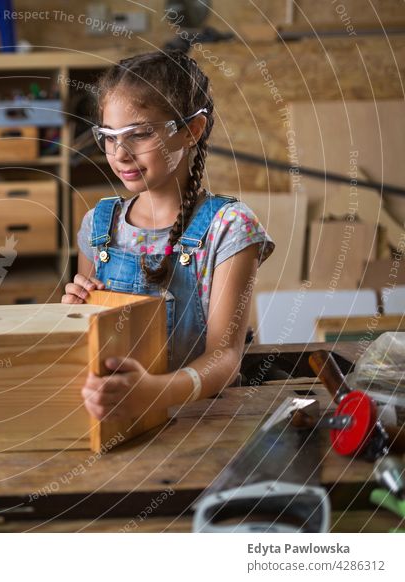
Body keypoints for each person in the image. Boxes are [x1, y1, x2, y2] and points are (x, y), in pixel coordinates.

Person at [62, 51, 275, 421]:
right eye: (109, 138)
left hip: (201, 424)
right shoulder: (98, 225)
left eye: (140, 134)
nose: (120, 154)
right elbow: (90, 352)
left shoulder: (229, 227)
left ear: (191, 130)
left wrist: (154, 393)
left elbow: (225, 358)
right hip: (119, 419)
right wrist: (75, 316)